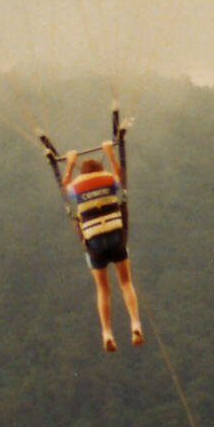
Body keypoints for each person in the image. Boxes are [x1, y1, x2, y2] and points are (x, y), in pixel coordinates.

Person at [59, 122, 144, 353]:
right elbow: (120, 178)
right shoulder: (108, 179)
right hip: (116, 237)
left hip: (94, 242)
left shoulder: (77, 185)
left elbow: (65, 188)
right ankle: (135, 323)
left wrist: (70, 164)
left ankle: (107, 332)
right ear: (99, 168)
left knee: (103, 289)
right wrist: (110, 153)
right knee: (125, 282)